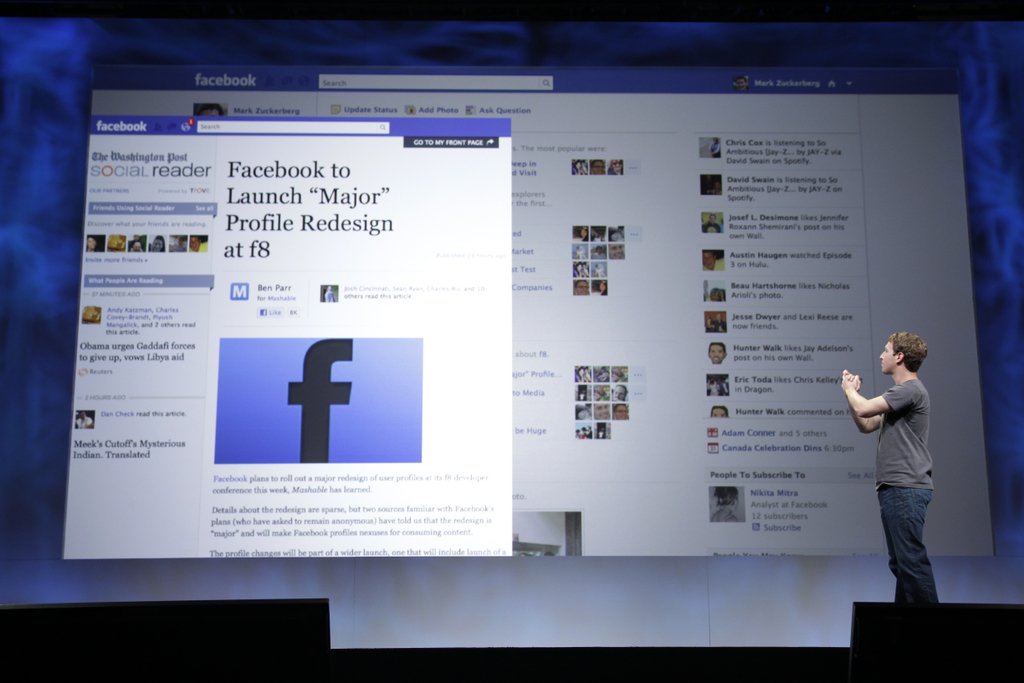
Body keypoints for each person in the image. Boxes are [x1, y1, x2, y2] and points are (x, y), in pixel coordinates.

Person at [841, 332, 938, 603]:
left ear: (899, 356)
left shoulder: (909, 390)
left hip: (905, 487)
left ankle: (936, 626)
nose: (881, 356)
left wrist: (850, 391)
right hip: (895, 487)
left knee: (911, 563)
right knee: (902, 565)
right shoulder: (900, 395)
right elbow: (866, 424)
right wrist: (851, 396)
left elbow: (864, 409)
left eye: (886, 350)